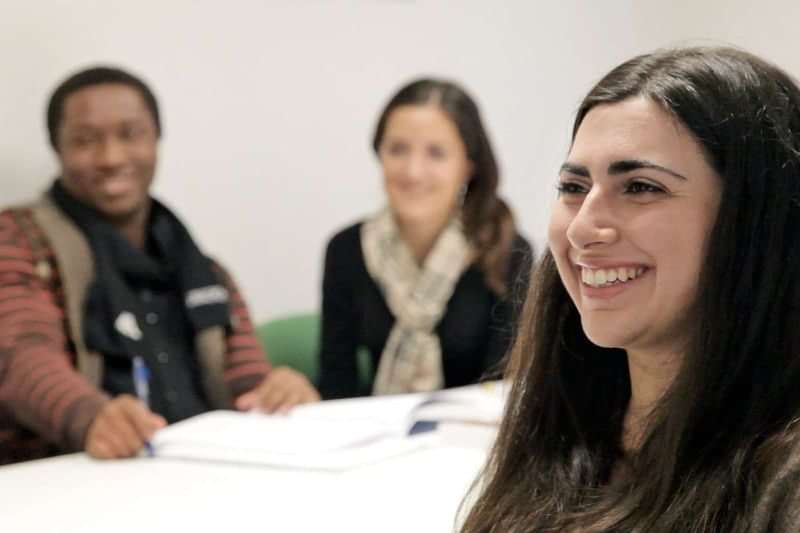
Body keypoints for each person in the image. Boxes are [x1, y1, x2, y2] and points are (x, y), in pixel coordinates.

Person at [460, 46, 800, 532]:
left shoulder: (785, 484)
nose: (581, 230)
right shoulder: (565, 426)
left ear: (757, 223)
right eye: (574, 188)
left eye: (641, 187)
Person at [0, 66, 319, 465]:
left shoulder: (207, 272)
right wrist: (91, 418)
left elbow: (246, 380)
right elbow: (22, 358)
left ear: (156, 140)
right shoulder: (17, 240)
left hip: (199, 481)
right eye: (85, 140)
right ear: (57, 149)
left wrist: (276, 393)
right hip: (70, 485)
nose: (111, 157)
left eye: (130, 134)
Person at [318, 78, 532, 399]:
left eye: (436, 153)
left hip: (473, 440)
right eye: (398, 149)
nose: (413, 171)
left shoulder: (508, 250)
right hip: (376, 437)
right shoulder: (346, 250)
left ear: (468, 167)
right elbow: (336, 385)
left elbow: (506, 389)